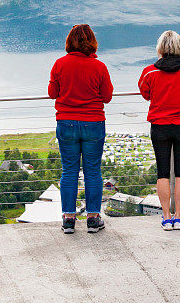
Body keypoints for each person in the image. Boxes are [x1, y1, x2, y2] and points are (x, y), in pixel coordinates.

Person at [48, 23, 113, 234]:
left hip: (66, 123)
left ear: (69, 42)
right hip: (93, 123)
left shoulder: (59, 64)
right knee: (93, 171)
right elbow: (107, 97)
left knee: (69, 171)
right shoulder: (99, 67)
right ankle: (93, 219)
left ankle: (68, 219)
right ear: (92, 42)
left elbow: (52, 93)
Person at [138, 30, 180, 230]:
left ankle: (166, 217)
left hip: (159, 126)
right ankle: (178, 216)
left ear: (160, 49)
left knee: (163, 173)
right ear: (179, 48)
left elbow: (145, 93)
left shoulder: (149, 72)